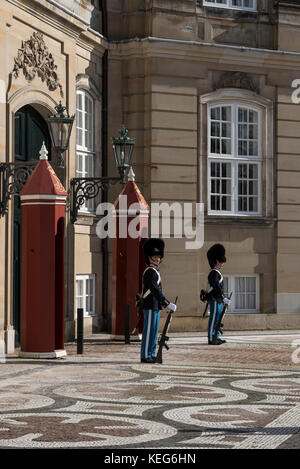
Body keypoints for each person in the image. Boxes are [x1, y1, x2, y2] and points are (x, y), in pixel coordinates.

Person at [140, 238, 176, 363]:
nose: (156, 259)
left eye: (158, 257)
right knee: (149, 331)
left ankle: (150, 354)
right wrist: (166, 303)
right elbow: (155, 290)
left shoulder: (155, 271)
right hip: (150, 305)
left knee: (154, 332)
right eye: (154, 257)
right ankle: (145, 355)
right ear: (149, 258)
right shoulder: (150, 271)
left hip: (154, 306)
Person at [206, 244, 231, 345]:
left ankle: (216, 336)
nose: (222, 263)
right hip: (216, 299)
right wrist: (222, 297)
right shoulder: (214, 273)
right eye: (221, 261)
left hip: (218, 300)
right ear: (216, 261)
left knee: (218, 319)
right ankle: (211, 338)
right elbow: (216, 286)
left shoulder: (217, 273)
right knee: (214, 319)